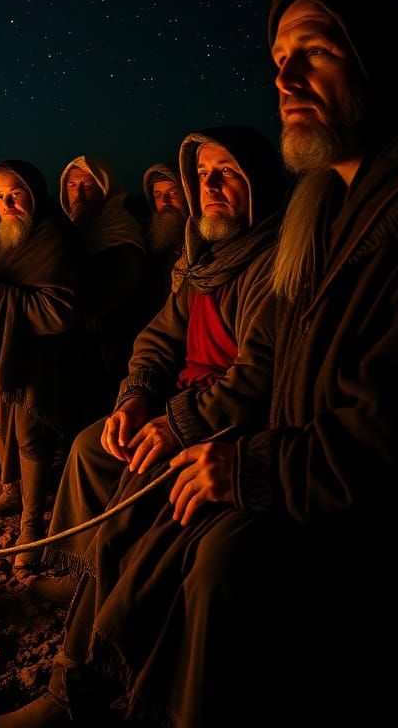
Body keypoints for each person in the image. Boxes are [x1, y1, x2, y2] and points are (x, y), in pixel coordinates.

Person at [0, 0, 398, 728]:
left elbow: (282, 380)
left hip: (304, 469)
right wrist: (135, 395)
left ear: (378, 61)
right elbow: (159, 336)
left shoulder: (380, 224)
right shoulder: (306, 219)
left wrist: (208, 439)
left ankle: (103, 673)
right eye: (279, 58)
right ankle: (83, 646)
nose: (283, 79)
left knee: (192, 531)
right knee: (109, 448)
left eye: (315, 52)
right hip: (274, 445)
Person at [32, 129, 283, 603]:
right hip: (178, 399)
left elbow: (258, 374)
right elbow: (159, 337)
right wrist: (136, 396)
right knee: (92, 446)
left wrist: (177, 424)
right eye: (202, 174)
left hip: (228, 422)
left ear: (258, 182)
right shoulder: (204, 262)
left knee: (144, 466)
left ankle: (119, 587)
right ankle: (83, 570)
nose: (209, 186)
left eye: (226, 172)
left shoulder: (273, 263)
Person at [0, 160, 77, 570]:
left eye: (16, 193)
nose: (7, 203)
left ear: (34, 194)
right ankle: (11, 491)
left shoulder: (53, 240)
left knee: (30, 436)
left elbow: (61, 309)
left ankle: (32, 525)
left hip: (37, 358)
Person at [58, 155, 145, 413]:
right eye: (72, 185)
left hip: (111, 336)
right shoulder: (73, 227)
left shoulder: (120, 227)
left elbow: (130, 278)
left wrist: (101, 308)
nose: (79, 194)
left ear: (105, 189)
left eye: (88, 185)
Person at [140, 161, 188, 314]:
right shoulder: (152, 242)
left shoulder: (201, 243)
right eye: (158, 195)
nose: (165, 201)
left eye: (173, 193)